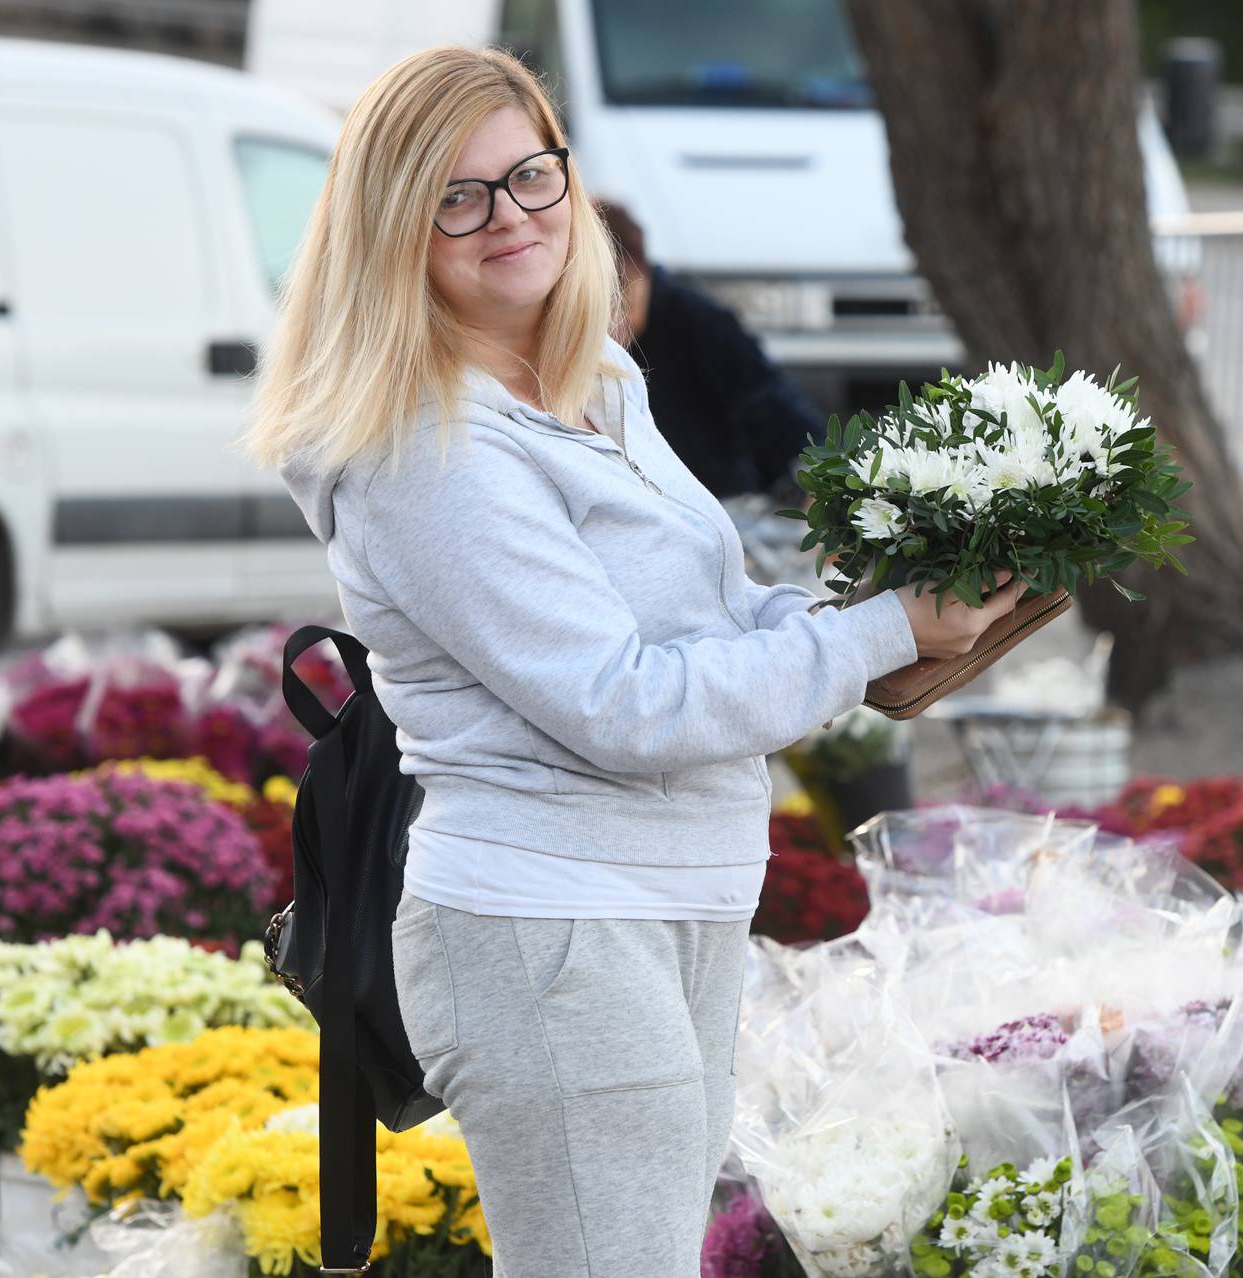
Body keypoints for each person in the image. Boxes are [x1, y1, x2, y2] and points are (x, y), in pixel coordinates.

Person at [246, 46, 1019, 1277]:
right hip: (552, 928)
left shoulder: (593, 381)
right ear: (395, 228)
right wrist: (874, 638)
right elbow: (624, 704)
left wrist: (873, 617)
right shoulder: (424, 450)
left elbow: (700, 619)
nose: (510, 218)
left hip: (666, 902)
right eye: (458, 196)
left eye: (530, 176)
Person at [597, 198, 820, 501]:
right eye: (600, 307)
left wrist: (817, 473)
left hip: (719, 493)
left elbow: (769, 401)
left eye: (624, 300)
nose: (613, 324)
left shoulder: (696, 319)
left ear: (643, 272)